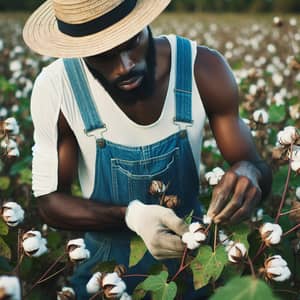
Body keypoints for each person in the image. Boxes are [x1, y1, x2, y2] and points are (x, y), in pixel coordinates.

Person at [23, 0, 272, 299]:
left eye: (133, 42)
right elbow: (49, 201)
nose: (125, 65)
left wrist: (249, 171)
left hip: (192, 263)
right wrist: (131, 216)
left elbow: (256, 167)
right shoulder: (57, 88)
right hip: (105, 274)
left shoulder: (202, 68)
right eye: (102, 55)